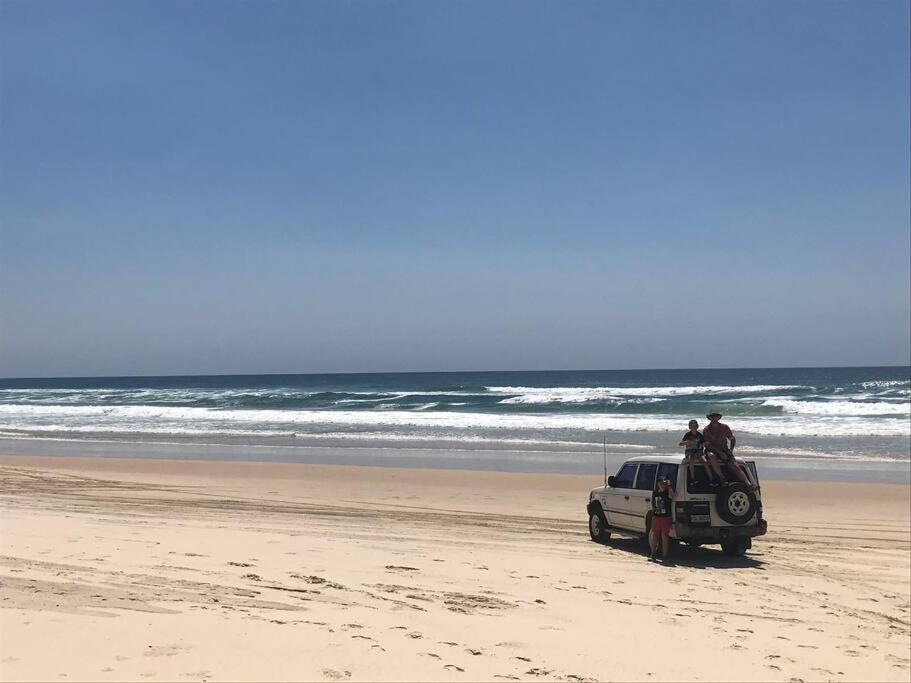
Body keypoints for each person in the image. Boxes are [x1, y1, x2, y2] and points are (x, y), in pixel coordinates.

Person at [702, 411, 756, 489]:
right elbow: (707, 445)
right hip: (712, 450)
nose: (714, 417)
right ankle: (722, 478)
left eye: (715, 416)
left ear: (718, 417)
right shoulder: (706, 429)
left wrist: (731, 449)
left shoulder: (725, 427)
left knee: (735, 465)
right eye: (712, 416)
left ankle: (749, 485)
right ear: (709, 418)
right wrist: (720, 453)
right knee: (711, 456)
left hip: (724, 449)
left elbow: (732, 439)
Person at [649, 477, 675, 561]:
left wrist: (669, 486)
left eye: (664, 483)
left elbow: (672, 496)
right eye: (661, 483)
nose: (663, 485)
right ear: (658, 484)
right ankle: (653, 553)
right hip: (656, 516)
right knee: (655, 534)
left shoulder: (667, 491)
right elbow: (653, 503)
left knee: (664, 535)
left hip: (665, 517)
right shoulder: (655, 492)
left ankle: (665, 555)